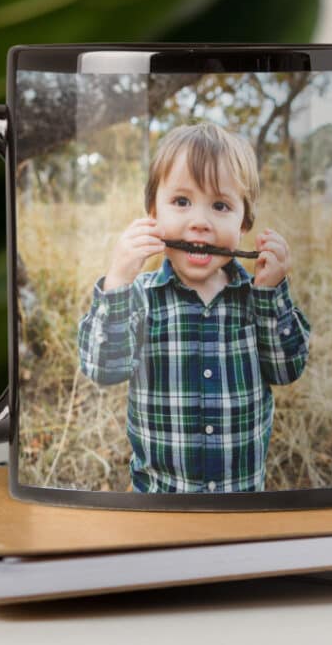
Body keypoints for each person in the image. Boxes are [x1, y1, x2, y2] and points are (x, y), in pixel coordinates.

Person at [77, 121, 310, 492]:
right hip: (160, 500)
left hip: (241, 498)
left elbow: (287, 370)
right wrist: (117, 280)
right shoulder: (140, 297)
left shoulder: (256, 297)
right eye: (181, 202)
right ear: (153, 213)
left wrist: (273, 290)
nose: (199, 222)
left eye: (220, 205)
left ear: (244, 222)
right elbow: (102, 368)